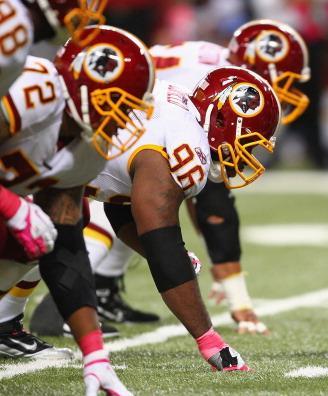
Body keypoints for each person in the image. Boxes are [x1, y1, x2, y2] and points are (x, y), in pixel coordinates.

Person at [68, 19, 310, 335]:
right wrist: (238, 299)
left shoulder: (217, 71)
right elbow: (212, 205)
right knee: (120, 196)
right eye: (283, 81)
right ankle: (70, 301)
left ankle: (102, 290)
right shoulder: (219, 90)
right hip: (98, 124)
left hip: (123, 126)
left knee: (133, 196)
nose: (283, 92)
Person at [85, 64, 281, 371]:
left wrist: (166, 253)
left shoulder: (174, 100)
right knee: (43, 235)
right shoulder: (189, 148)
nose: (247, 152)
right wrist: (210, 340)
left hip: (46, 153)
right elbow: (158, 235)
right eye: (250, 141)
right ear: (221, 118)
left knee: (38, 239)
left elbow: (118, 203)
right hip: (33, 151)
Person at [0, 25, 157, 394]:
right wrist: (12, 206)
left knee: (50, 229)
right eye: (117, 103)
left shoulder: (88, 149)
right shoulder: (29, 90)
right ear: (84, 85)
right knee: (25, 216)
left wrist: (94, 355)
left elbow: (67, 248)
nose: (122, 120)